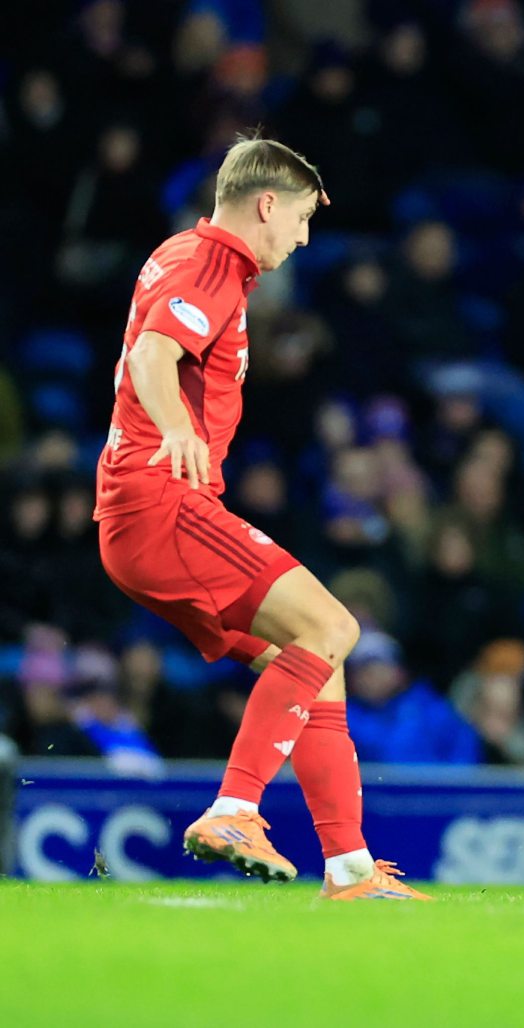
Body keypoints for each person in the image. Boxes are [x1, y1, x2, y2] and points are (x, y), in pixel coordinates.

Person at [92, 133, 427, 899]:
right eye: (302, 219)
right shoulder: (211, 262)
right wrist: (177, 429)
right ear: (267, 204)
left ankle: (348, 870)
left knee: (312, 666)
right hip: (161, 505)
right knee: (336, 628)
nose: (303, 239)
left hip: (144, 516)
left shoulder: (190, 258)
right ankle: (235, 808)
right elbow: (151, 356)